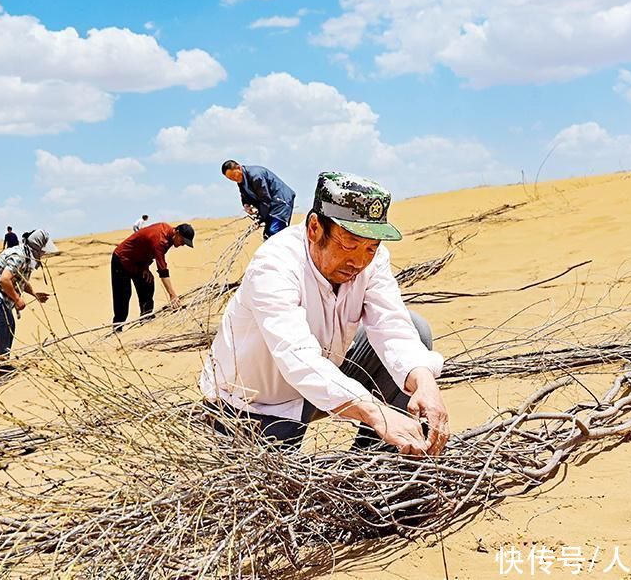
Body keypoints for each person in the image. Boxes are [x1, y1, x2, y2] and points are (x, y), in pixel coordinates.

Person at [200, 172, 450, 455]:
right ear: (315, 228)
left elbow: (391, 324)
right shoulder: (274, 265)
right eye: (348, 244)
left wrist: (425, 382)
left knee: (416, 330)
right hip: (256, 404)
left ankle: (375, 466)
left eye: (370, 247)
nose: (358, 260)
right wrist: (375, 412)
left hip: (328, 374)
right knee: (275, 492)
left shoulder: (372, 261)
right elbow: (298, 358)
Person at [0, 229, 59, 373]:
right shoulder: (19, 255)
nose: (44, 254)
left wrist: (35, 295)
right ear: (37, 247)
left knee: (9, 323)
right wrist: (17, 299)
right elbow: (4, 279)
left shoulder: (27, 257)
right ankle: (3, 365)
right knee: (7, 322)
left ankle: (5, 361)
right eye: (43, 250)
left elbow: (21, 280)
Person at [111, 222, 194, 330]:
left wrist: (145, 267)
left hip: (138, 263)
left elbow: (146, 248)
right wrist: (172, 295)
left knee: (147, 284)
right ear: (177, 233)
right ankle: (117, 329)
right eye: (183, 241)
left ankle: (146, 321)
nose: (183, 244)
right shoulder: (161, 239)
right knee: (123, 295)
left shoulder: (169, 237)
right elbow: (163, 270)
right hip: (122, 260)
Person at [221, 160, 296, 240]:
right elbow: (245, 195)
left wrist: (260, 219)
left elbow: (265, 199)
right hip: (271, 206)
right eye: (230, 178)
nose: (234, 179)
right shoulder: (241, 180)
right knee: (267, 235)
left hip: (281, 201)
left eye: (234, 175)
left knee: (274, 232)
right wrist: (246, 205)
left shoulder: (255, 176)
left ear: (239, 168)